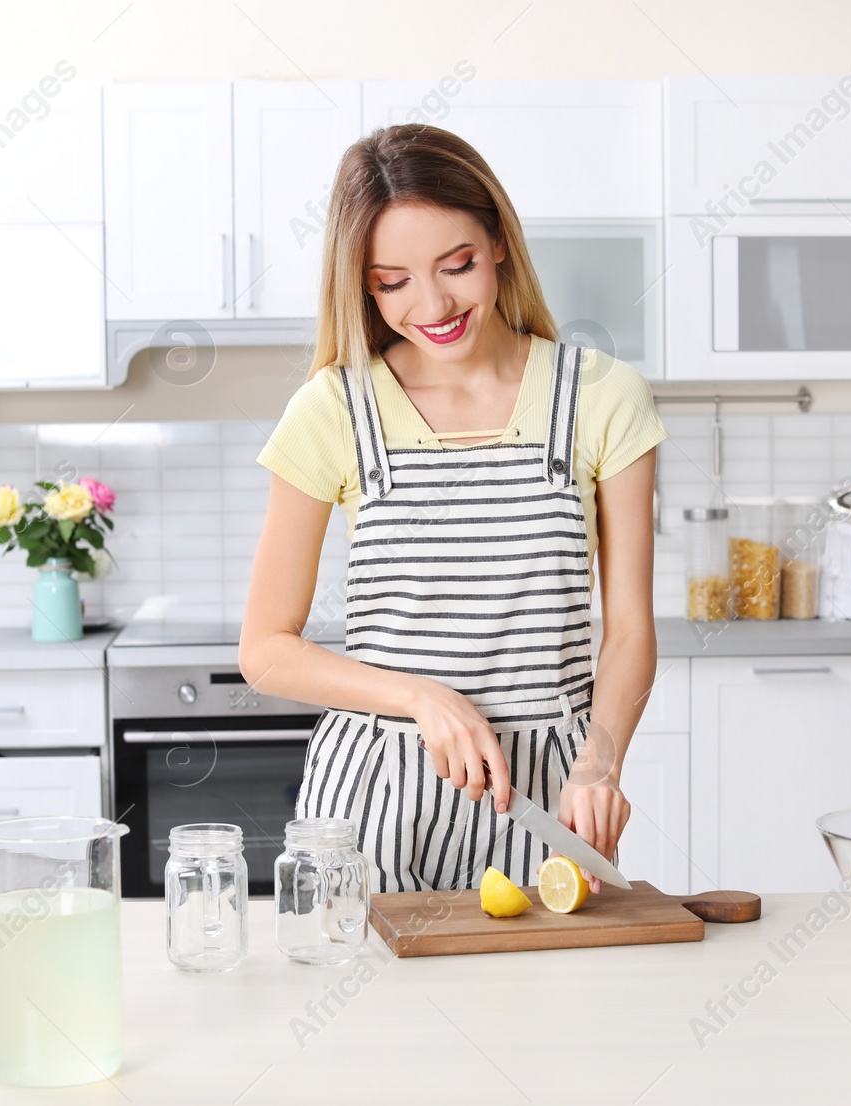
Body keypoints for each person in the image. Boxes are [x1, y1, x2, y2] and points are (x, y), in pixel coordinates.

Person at [239, 123, 667, 893]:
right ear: (361, 284)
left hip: (549, 795)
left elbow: (630, 629)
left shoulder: (601, 398)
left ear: (499, 241)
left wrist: (599, 765)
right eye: (391, 281)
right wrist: (419, 695)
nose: (432, 304)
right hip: (374, 795)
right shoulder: (335, 408)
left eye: (457, 265)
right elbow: (265, 650)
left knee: (556, 1012)